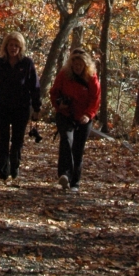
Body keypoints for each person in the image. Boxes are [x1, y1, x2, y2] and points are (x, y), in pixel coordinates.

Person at [0, 32, 41, 186]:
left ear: (21, 47)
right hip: (3, 106)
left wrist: (37, 107)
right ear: (6, 46)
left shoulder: (27, 64)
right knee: (3, 138)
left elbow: (34, 87)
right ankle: (3, 172)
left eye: (16, 45)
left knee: (17, 140)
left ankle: (14, 168)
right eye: (11, 45)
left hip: (22, 107)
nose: (13, 48)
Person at [50, 48, 100, 192]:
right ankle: (64, 175)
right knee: (66, 140)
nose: (77, 67)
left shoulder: (91, 78)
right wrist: (59, 104)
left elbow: (95, 99)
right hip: (65, 115)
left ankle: (75, 182)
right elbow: (54, 92)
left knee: (78, 148)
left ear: (85, 65)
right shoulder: (64, 75)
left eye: (80, 65)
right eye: (75, 64)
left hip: (84, 117)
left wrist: (88, 115)